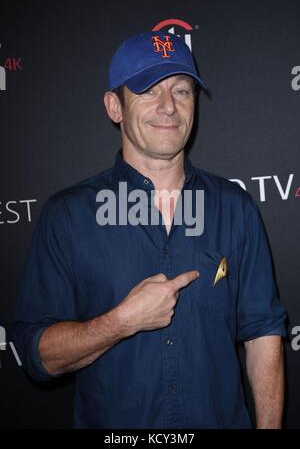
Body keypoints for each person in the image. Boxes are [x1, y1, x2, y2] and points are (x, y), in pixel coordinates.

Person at [13, 30, 286, 429]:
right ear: (114, 107)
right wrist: (121, 322)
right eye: (148, 90)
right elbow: (38, 355)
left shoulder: (234, 207)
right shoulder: (68, 216)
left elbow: (263, 333)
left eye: (181, 90)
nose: (168, 107)